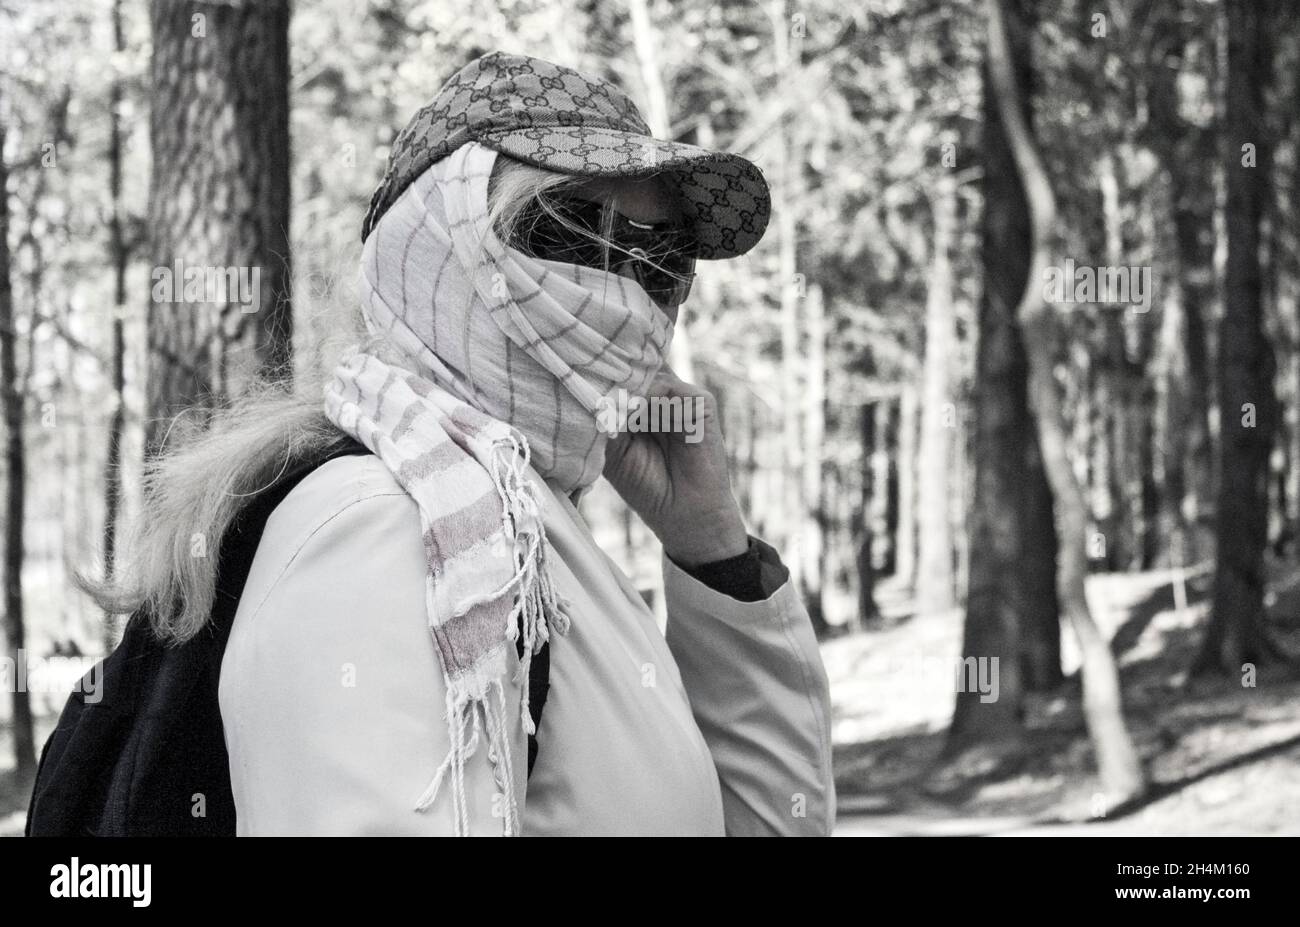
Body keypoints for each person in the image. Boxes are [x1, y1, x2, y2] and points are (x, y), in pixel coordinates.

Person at [101, 51, 834, 836]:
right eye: (573, 229)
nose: (621, 285)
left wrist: (712, 551)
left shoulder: (526, 532)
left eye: (661, 259)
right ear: (438, 233)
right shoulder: (384, 528)